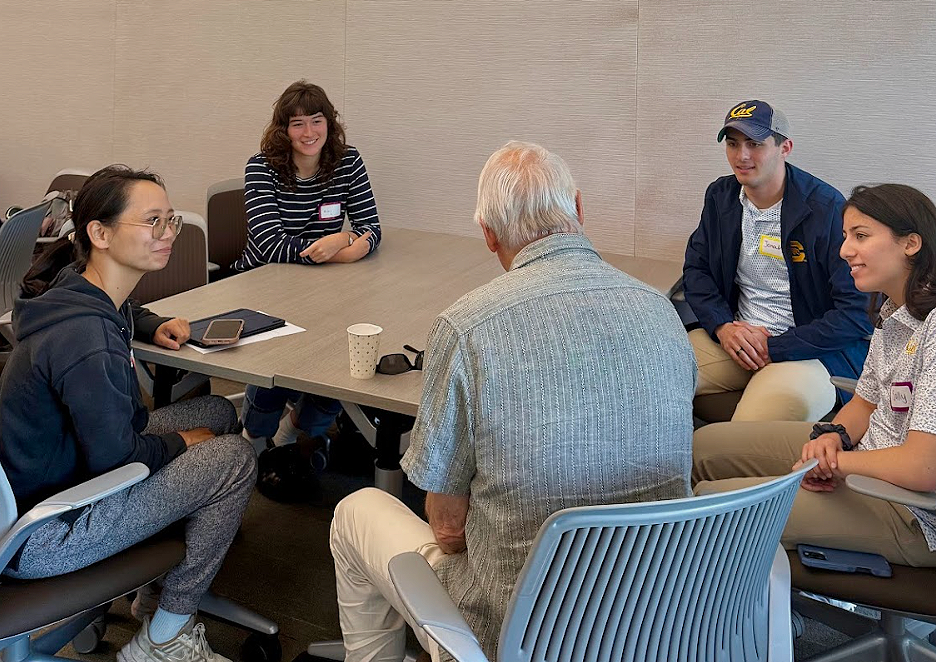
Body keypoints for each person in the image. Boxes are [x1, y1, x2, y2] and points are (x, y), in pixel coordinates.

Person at [327, 141, 697, 662]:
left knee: (354, 512)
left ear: (488, 233)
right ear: (579, 207)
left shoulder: (466, 328)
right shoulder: (662, 312)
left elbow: (448, 530)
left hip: (517, 633)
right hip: (661, 620)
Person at [0, 166, 257, 662]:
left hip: (57, 477)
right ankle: (164, 638)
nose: (167, 234)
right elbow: (117, 458)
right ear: (100, 233)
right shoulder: (87, 341)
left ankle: (153, 593)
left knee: (216, 413)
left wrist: (150, 322)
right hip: (43, 532)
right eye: (151, 221)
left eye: (170, 220)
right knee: (234, 458)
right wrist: (183, 443)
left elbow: (121, 312)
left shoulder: (79, 288)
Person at [694, 183, 936, 567]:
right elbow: (865, 402)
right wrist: (834, 437)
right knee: (703, 448)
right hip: (866, 458)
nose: (844, 250)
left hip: (912, 511)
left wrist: (833, 464)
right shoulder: (893, 312)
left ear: (911, 244)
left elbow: (924, 468)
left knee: (708, 508)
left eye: (860, 236)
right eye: (845, 236)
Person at [683, 99, 872, 421]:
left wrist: (776, 347)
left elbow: (857, 312)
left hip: (808, 351)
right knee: (644, 374)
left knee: (749, 434)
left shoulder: (826, 208)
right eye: (733, 144)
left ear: (785, 148)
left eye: (755, 144)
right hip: (735, 336)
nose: (742, 156)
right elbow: (697, 271)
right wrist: (724, 326)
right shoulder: (721, 196)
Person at [234, 81, 381, 453]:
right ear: (283, 130)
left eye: (317, 120)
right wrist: (342, 248)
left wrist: (345, 239)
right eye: (297, 123)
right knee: (279, 356)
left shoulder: (347, 161)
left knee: (341, 357)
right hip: (264, 283)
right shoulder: (261, 168)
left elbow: (372, 228)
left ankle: (294, 431)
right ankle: (253, 437)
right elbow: (270, 245)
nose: (308, 132)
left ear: (329, 123)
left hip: (326, 285)